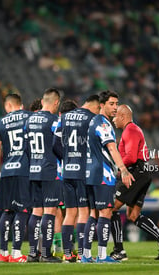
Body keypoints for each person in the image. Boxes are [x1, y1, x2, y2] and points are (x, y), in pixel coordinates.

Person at [110, 104, 159, 261]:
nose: (113, 120)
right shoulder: (132, 130)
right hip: (142, 174)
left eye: (115, 116)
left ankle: (119, 250)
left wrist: (117, 165)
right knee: (133, 215)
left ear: (123, 116)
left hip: (135, 173)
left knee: (111, 207)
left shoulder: (130, 130)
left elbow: (132, 157)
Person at [82, 90, 134, 263]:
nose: (115, 108)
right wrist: (123, 169)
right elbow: (111, 148)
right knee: (105, 213)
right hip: (102, 174)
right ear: (101, 105)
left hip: (90, 173)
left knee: (93, 214)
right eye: (111, 104)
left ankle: (86, 255)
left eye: (116, 104)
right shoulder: (103, 123)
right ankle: (102, 255)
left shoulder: (92, 122)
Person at [53, 95, 100, 262]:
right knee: (83, 212)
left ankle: (67, 253)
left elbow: (55, 143)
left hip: (67, 172)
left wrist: (66, 158)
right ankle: (82, 253)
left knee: (69, 213)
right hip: (82, 171)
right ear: (95, 107)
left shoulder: (63, 117)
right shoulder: (91, 118)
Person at [0, 94, 32, 263]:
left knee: (7, 211)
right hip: (24, 170)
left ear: (8, 105)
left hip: (6, 171)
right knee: (22, 211)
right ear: (21, 105)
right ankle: (16, 252)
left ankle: (3, 252)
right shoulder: (30, 117)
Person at [25, 88, 62, 263]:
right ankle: (46, 254)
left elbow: (25, 146)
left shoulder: (29, 120)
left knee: (36, 211)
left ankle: (33, 253)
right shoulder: (55, 121)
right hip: (49, 170)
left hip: (33, 170)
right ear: (56, 102)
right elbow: (58, 145)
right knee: (50, 211)